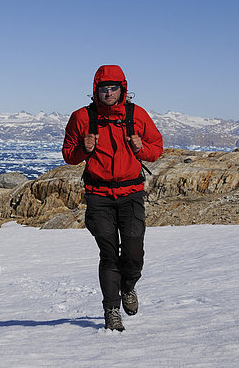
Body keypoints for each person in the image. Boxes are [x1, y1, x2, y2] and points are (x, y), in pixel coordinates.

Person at [62, 65, 163, 331]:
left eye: (113, 88)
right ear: (96, 90)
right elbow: (68, 154)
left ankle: (128, 286)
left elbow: (157, 149)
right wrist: (83, 149)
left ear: (123, 89)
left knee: (133, 252)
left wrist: (142, 148)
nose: (109, 92)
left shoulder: (136, 115)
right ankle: (111, 311)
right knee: (108, 255)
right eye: (104, 88)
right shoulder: (81, 117)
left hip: (131, 194)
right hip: (98, 195)